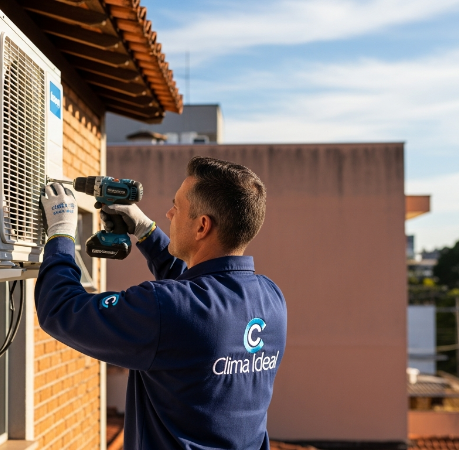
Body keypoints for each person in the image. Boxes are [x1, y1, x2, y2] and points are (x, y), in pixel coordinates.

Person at [36, 156, 287, 450]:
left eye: (176, 207)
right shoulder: (271, 299)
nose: (169, 214)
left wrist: (61, 233)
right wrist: (146, 231)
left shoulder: (165, 308)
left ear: (202, 226)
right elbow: (197, 298)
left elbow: (60, 309)